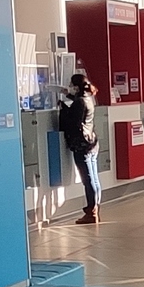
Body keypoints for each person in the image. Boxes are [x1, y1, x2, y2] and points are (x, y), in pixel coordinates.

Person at [57, 72, 101, 225]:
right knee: (94, 178)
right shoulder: (89, 99)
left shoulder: (79, 102)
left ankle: (91, 211)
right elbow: (79, 105)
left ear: (76, 86)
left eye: (71, 86)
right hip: (92, 142)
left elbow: (73, 120)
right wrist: (67, 94)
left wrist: (62, 107)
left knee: (87, 179)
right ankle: (95, 208)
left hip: (81, 145)